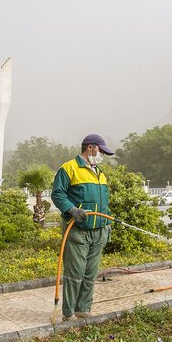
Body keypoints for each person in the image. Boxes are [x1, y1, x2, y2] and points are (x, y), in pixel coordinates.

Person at [51, 134, 114, 321]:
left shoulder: (99, 172)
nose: (101, 154)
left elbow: (104, 202)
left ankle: (83, 309)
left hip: (99, 231)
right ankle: (69, 313)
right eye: (100, 150)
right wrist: (71, 210)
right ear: (90, 148)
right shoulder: (69, 168)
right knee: (75, 272)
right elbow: (57, 194)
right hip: (78, 231)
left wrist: (107, 223)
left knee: (90, 273)